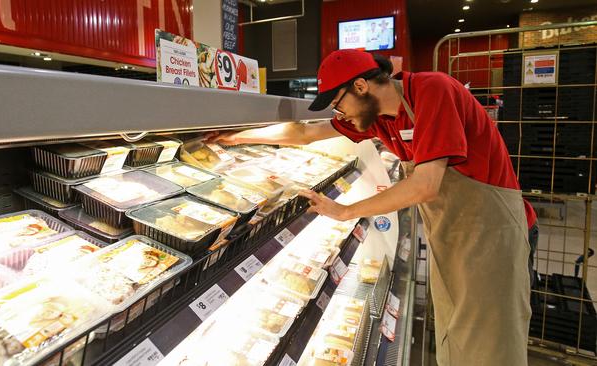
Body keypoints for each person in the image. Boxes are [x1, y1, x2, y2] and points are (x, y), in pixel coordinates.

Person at [208, 49, 537, 365]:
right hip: (454, 234)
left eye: (338, 105)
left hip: (492, 234)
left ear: (361, 86)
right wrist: (237, 137)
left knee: (493, 341)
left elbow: (425, 185)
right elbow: (304, 134)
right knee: (458, 330)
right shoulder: (378, 116)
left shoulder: (432, 90)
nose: (341, 115)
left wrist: (346, 211)